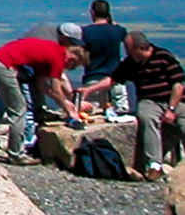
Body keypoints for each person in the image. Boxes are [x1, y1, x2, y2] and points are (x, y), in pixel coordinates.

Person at [78, 32, 183, 177]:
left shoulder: (164, 57)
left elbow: (178, 85)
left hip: (173, 100)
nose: (127, 53)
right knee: (146, 117)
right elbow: (114, 79)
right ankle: (154, 165)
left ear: (138, 48)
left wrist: (171, 109)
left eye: (128, 49)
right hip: (149, 100)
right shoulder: (131, 63)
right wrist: (90, 89)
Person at [0, 29, 85, 163]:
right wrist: (68, 108)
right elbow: (56, 89)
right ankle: (16, 154)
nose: (69, 68)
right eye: (73, 66)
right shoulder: (59, 57)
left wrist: (65, 101)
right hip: (5, 64)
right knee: (19, 110)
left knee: (3, 99)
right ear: (72, 58)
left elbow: (42, 85)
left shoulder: (53, 51)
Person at [78, 0, 130, 117]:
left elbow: (81, 55)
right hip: (116, 78)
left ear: (92, 12)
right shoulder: (119, 30)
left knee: (92, 113)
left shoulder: (85, 32)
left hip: (93, 77)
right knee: (122, 114)